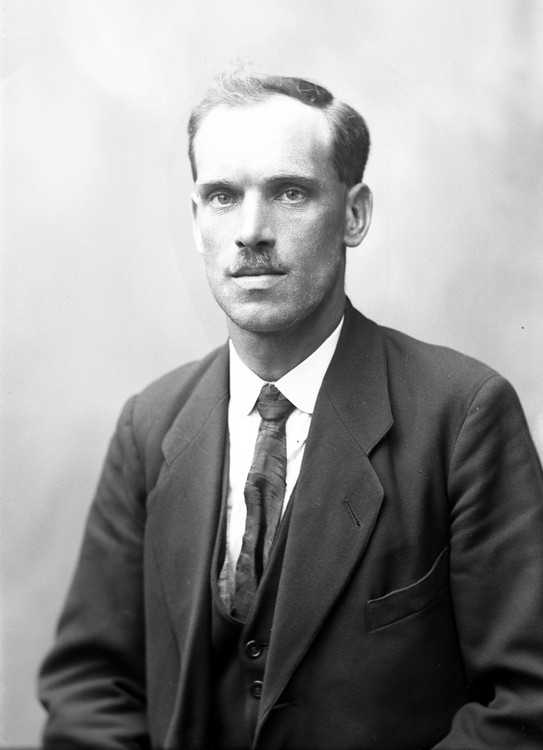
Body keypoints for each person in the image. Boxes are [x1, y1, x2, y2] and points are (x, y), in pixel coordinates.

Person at [39, 71, 543, 750]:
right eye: (222, 197)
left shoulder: (462, 417)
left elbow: (524, 703)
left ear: (354, 215)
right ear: (196, 222)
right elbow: (91, 685)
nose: (251, 232)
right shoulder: (149, 424)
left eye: (290, 192)